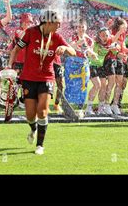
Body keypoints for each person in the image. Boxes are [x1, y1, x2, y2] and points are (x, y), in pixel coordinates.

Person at [7, 10, 76, 155]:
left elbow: (73, 52)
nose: (59, 25)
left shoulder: (56, 37)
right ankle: (33, 129)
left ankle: (40, 145)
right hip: (29, 78)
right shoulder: (30, 32)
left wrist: (65, 48)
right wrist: (9, 67)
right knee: (30, 114)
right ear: (49, 22)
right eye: (57, 22)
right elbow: (15, 50)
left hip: (46, 78)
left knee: (42, 111)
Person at [11, 13, 35, 109]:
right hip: (18, 61)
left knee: (26, 83)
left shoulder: (31, 32)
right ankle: (13, 100)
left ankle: (22, 100)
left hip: (28, 62)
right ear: (22, 22)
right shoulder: (18, 31)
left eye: (29, 22)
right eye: (26, 22)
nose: (28, 24)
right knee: (16, 82)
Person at [85, 27, 109, 116]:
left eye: (106, 35)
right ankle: (89, 107)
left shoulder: (109, 45)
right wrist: (92, 53)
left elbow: (117, 47)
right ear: (99, 36)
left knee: (103, 86)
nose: (105, 37)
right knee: (97, 85)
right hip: (92, 65)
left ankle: (101, 108)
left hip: (101, 66)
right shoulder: (94, 43)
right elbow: (89, 49)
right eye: (103, 35)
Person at [109, 18, 128, 115]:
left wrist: (127, 51)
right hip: (112, 60)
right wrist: (119, 32)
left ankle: (115, 104)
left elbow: (122, 46)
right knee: (111, 83)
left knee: (119, 83)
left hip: (121, 60)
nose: (126, 28)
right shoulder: (113, 32)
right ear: (119, 26)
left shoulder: (123, 34)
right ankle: (105, 104)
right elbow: (112, 42)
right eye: (124, 26)